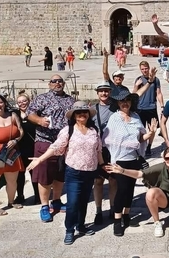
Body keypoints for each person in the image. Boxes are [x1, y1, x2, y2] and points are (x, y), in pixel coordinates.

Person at [27, 101, 104, 245]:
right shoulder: (68, 130)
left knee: (83, 202)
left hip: (90, 172)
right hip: (73, 172)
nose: (82, 114)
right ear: (74, 116)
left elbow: (98, 151)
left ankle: (81, 226)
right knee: (73, 203)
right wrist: (40, 159)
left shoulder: (94, 130)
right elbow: (55, 147)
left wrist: (102, 165)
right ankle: (70, 229)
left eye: (85, 112)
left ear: (88, 114)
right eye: (79, 112)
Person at [105, 147, 169, 238]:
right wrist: (122, 171)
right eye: (167, 158)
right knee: (150, 193)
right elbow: (139, 174)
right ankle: (157, 223)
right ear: (164, 160)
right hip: (163, 197)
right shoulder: (161, 167)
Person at [103, 89, 157, 236]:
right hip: (119, 160)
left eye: (127, 100)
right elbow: (108, 139)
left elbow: (139, 139)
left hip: (133, 159)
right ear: (118, 103)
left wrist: (150, 134)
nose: (125, 103)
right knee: (122, 190)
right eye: (122, 101)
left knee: (130, 190)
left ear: (131, 102)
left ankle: (126, 215)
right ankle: (117, 220)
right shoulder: (114, 118)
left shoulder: (135, 117)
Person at [26, 74, 75, 222]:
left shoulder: (70, 100)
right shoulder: (42, 98)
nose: (57, 83)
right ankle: (44, 206)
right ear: (49, 83)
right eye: (54, 81)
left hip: (64, 142)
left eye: (60, 81)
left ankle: (57, 201)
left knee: (60, 174)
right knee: (44, 175)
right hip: (45, 140)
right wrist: (39, 120)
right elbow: (30, 113)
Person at [92, 80, 118, 225]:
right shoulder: (93, 109)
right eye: (101, 91)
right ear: (97, 93)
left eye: (106, 90)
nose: (104, 93)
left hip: (112, 149)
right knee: (98, 181)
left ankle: (113, 208)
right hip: (99, 149)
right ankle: (98, 210)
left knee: (113, 180)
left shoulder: (115, 107)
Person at [133, 61, 164, 157]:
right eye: (142, 69)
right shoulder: (138, 79)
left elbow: (158, 93)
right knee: (140, 130)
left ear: (149, 68)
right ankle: (141, 147)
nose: (144, 70)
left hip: (151, 108)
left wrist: (162, 105)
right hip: (140, 108)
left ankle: (149, 147)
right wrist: (136, 85)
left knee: (152, 129)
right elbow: (133, 95)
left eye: (146, 68)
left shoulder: (155, 80)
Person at [14, 91, 39, 204]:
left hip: (33, 147)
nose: (22, 103)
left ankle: (38, 196)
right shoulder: (14, 114)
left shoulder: (34, 114)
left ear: (29, 102)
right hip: (19, 148)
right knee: (20, 174)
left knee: (34, 173)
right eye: (19, 102)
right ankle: (20, 195)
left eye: (24, 101)